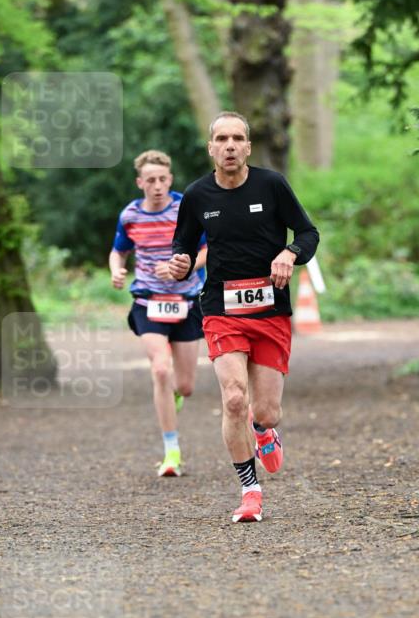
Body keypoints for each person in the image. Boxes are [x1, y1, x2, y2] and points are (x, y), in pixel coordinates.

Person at [168, 111, 319, 523]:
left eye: (237, 138)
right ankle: (250, 491)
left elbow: (308, 233)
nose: (230, 145)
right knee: (234, 398)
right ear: (211, 148)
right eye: (222, 138)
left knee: (264, 411)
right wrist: (179, 264)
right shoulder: (197, 196)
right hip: (221, 309)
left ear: (248, 146)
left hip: (270, 309)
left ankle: (265, 431)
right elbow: (181, 246)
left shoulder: (271, 185)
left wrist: (290, 253)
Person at [109, 150, 207, 477]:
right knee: (160, 370)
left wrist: (183, 268)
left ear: (171, 180)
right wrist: (117, 271)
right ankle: (171, 452)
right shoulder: (130, 215)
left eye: (162, 179)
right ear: (140, 182)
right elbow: (118, 251)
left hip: (187, 301)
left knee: (187, 385)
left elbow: (208, 249)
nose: (157, 185)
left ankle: (176, 395)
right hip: (148, 301)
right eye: (150, 180)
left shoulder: (186, 208)